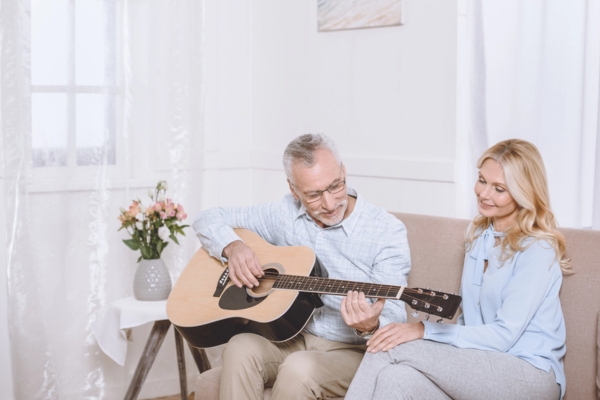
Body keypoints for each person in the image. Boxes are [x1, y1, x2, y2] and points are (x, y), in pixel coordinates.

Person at [345, 139, 571, 400]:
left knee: (387, 348)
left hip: (529, 373)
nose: (484, 194)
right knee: (395, 378)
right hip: (480, 365)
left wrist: (423, 330)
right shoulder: (478, 235)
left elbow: (503, 336)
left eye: (499, 189)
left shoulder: (538, 249)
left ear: (523, 193)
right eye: (482, 180)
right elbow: (469, 323)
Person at [193, 133, 411, 400]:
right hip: (294, 336)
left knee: (298, 369)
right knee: (240, 347)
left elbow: (395, 315)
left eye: (335, 186)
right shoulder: (283, 213)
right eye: (314, 195)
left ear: (344, 171)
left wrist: (370, 324)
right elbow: (208, 218)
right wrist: (233, 246)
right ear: (294, 190)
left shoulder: (386, 230)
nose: (330, 204)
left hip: (353, 350)